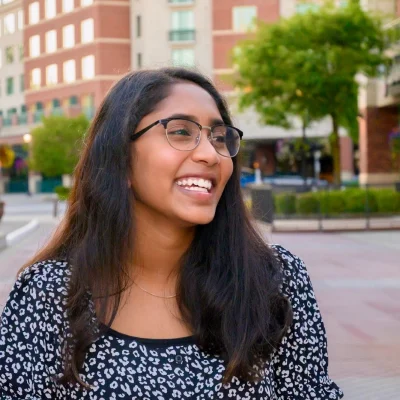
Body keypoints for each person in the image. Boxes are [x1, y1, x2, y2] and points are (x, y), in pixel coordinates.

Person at [0, 68, 343, 399]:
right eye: (180, 131)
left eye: (220, 137)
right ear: (120, 157)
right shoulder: (49, 294)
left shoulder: (274, 280)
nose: (211, 154)